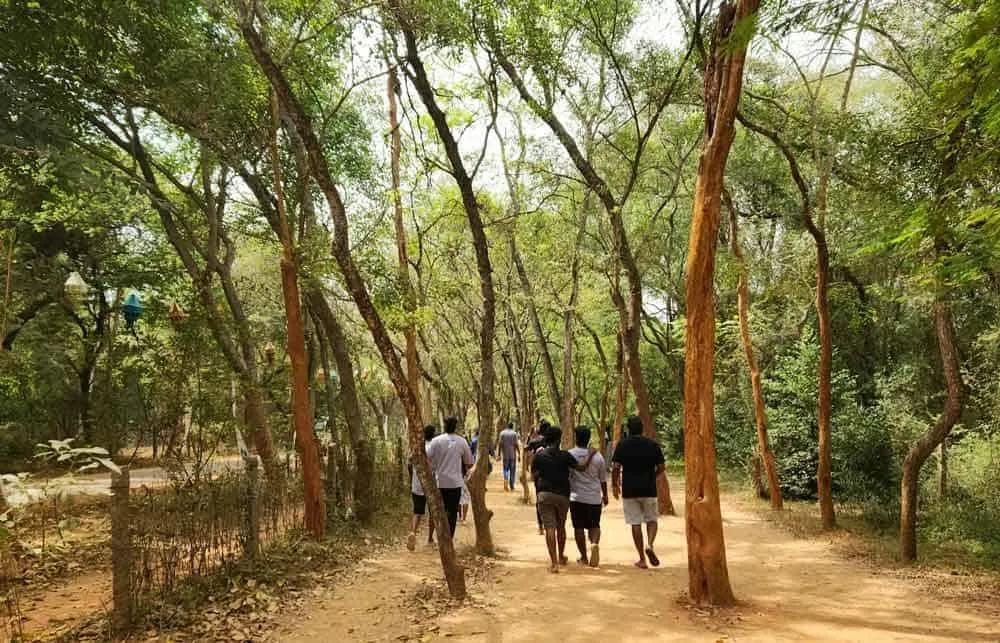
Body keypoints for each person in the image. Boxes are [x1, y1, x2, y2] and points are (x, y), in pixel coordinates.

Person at [532, 426, 597, 573]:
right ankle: (561, 557)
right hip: (562, 495)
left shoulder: (539, 456)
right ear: (559, 439)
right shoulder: (565, 455)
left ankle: (554, 563)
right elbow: (581, 468)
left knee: (550, 528)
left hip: (544, 494)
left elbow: (534, 475)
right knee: (560, 526)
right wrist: (591, 455)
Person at [611, 415, 666, 569]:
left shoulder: (622, 445)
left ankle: (642, 558)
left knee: (635, 522)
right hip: (649, 489)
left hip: (630, 490)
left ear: (628, 429)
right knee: (652, 519)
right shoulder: (652, 444)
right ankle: (650, 544)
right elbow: (661, 467)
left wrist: (615, 485)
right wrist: (652, 477)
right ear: (642, 428)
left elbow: (615, 467)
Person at [427, 416, 473, 536]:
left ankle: (441, 537)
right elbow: (469, 462)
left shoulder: (436, 441)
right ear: (455, 426)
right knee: (452, 513)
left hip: (439, 483)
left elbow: (427, 458)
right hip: (455, 484)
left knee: (440, 512)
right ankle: (449, 538)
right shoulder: (461, 441)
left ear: (444, 425)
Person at [569, 426, 608, 567]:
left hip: (576, 497)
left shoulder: (570, 454)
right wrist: (606, 496)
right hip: (594, 498)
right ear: (588, 438)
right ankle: (594, 543)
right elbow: (603, 479)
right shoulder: (598, 457)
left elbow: (567, 476)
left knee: (578, 527)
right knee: (594, 525)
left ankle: (584, 557)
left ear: (576, 438)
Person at [407, 424, 437, 551]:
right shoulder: (435, 447)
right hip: (431, 484)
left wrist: (412, 478)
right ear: (434, 434)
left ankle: (413, 532)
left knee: (417, 511)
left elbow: (409, 463)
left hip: (417, 483)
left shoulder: (417, 447)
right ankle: (430, 538)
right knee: (432, 513)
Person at [498, 421, 520, 492]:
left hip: (505, 455)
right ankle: (512, 485)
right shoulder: (514, 434)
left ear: (507, 426)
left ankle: (506, 482)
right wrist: (519, 454)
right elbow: (516, 445)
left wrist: (499, 454)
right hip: (513, 455)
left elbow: (500, 444)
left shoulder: (502, 433)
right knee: (512, 471)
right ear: (512, 426)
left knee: (505, 469)